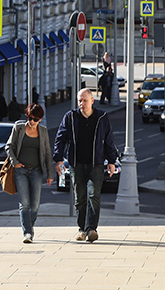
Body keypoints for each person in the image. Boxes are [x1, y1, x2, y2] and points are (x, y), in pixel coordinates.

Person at [53, 88, 118, 243]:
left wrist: (111, 161)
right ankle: (81, 229)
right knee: (80, 198)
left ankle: (92, 229)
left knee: (94, 195)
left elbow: (109, 140)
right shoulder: (70, 117)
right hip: (76, 164)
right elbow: (60, 139)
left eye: (85, 100)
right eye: (79, 100)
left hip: (96, 164)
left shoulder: (102, 117)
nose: (82, 103)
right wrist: (59, 159)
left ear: (92, 101)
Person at [5, 103, 56, 243]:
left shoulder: (43, 131)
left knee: (35, 205)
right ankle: (27, 233)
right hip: (21, 171)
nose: (32, 122)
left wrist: (50, 174)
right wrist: (15, 162)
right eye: (30, 118)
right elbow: (8, 146)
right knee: (24, 203)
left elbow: (47, 153)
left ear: (40, 119)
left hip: (36, 172)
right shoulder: (19, 128)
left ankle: (29, 226)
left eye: (36, 119)